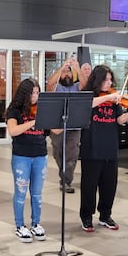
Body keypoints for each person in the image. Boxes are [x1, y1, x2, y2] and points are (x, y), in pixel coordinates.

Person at [79, 65, 128, 232]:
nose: (109, 82)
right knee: (89, 185)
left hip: (110, 146)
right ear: (98, 80)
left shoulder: (114, 100)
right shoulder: (87, 95)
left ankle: (105, 215)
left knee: (109, 185)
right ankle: (86, 217)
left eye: (111, 79)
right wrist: (110, 96)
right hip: (91, 146)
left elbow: (120, 120)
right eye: (106, 79)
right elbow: (88, 104)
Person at [6, 78, 59, 242]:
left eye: (37, 93)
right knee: (21, 193)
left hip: (40, 155)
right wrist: (34, 122)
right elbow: (13, 130)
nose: (35, 96)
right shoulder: (14, 110)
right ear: (25, 94)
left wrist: (63, 117)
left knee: (37, 194)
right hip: (21, 156)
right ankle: (20, 225)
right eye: (32, 93)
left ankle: (36, 223)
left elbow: (56, 131)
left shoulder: (42, 109)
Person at [46, 57, 82, 193]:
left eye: (69, 72)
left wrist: (77, 68)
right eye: (64, 72)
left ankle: (66, 181)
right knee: (58, 154)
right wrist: (62, 67)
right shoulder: (56, 87)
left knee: (71, 156)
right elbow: (49, 84)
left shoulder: (77, 86)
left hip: (74, 126)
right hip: (57, 126)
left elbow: (86, 83)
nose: (67, 74)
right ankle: (63, 174)